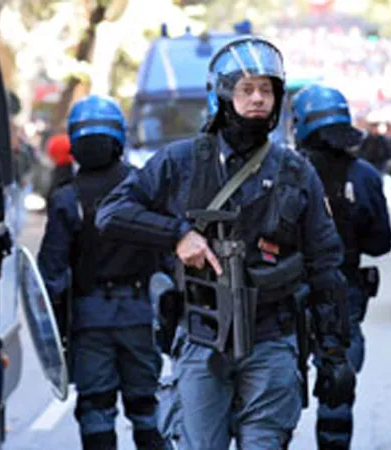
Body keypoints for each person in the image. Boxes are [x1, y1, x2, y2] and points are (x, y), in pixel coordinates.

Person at [95, 36, 354, 449]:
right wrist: (177, 234)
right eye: (246, 89)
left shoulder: (295, 171)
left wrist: (334, 353)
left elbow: (326, 266)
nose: (258, 99)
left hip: (272, 337)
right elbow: (111, 213)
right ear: (221, 96)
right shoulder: (180, 161)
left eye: (266, 90)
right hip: (202, 335)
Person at [37, 95, 167, 450]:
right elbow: (167, 254)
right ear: (119, 137)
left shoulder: (67, 199)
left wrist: (58, 331)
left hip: (89, 321)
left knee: (96, 411)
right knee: (147, 409)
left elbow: (51, 275)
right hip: (140, 316)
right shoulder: (144, 188)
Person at [292, 84, 391, 450]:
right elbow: (381, 243)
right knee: (337, 387)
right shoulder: (364, 175)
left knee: (274, 389)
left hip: (287, 290)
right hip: (342, 289)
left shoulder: (285, 170)